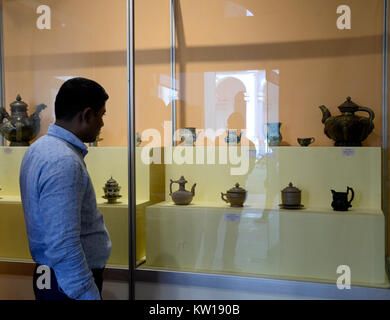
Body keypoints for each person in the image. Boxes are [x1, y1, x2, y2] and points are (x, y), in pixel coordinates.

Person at [19, 77, 112, 300]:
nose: (101, 123)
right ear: (87, 115)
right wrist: (87, 294)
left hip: (54, 278)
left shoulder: (39, 149)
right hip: (65, 284)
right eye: (101, 115)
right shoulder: (62, 160)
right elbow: (63, 243)